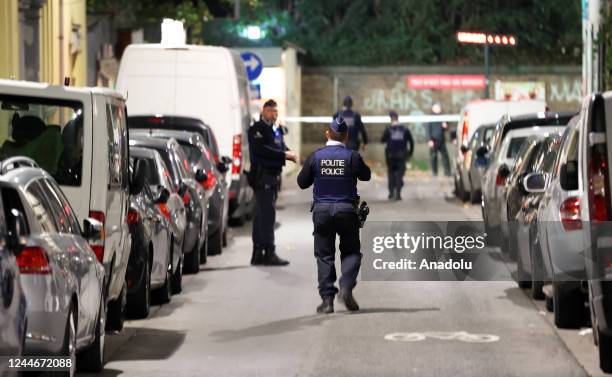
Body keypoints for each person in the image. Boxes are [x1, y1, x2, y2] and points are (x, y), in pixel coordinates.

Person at [297, 117, 371, 314]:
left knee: (324, 255)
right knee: (352, 252)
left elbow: (302, 182)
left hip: (322, 212)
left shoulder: (316, 156)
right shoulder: (352, 156)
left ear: (327, 134)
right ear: (346, 137)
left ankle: (327, 300)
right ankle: (346, 286)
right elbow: (366, 175)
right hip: (347, 211)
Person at [248, 99, 297, 266]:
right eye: (270, 111)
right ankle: (267, 252)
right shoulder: (257, 130)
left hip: (273, 176)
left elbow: (279, 146)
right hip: (263, 177)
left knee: (262, 215)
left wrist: (288, 151)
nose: (274, 114)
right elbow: (261, 150)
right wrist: (284, 155)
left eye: (276, 112)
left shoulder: (275, 129)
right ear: (263, 112)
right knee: (267, 216)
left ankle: (258, 253)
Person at [381, 111, 414, 200]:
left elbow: (382, 140)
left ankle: (391, 193)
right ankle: (398, 193)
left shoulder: (388, 129)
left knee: (391, 173)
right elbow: (411, 141)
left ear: (391, 119)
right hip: (402, 155)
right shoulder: (405, 129)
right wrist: (410, 153)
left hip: (391, 156)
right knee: (400, 174)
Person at [427, 102, 451, 177]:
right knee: (433, 157)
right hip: (433, 140)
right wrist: (429, 139)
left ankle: (447, 172)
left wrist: (445, 126)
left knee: (445, 156)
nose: (439, 108)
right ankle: (434, 172)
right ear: (433, 108)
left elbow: (447, 128)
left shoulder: (442, 117)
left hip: (441, 140)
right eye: (437, 107)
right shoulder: (430, 117)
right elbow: (428, 129)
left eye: (439, 107)